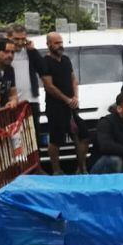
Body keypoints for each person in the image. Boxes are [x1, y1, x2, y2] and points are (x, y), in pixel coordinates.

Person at [39, 32, 90, 174]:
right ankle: (57, 170)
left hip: (71, 108)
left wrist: (75, 97)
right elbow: (49, 86)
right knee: (56, 139)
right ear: (48, 45)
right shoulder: (45, 62)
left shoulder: (66, 59)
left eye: (61, 42)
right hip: (55, 108)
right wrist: (66, 99)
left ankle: (81, 168)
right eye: (56, 43)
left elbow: (74, 80)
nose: (60, 45)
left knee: (84, 136)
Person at [8, 24, 44, 145]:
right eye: (16, 39)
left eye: (23, 39)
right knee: (14, 142)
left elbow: (43, 69)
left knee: (34, 142)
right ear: (8, 37)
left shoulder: (29, 52)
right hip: (11, 104)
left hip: (31, 102)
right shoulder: (6, 54)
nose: (20, 42)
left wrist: (33, 50)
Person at [0, 35, 18, 110]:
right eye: (6, 51)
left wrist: (13, 101)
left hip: (3, 117)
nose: (10, 55)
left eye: (12, 52)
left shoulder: (10, 70)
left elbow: (13, 94)